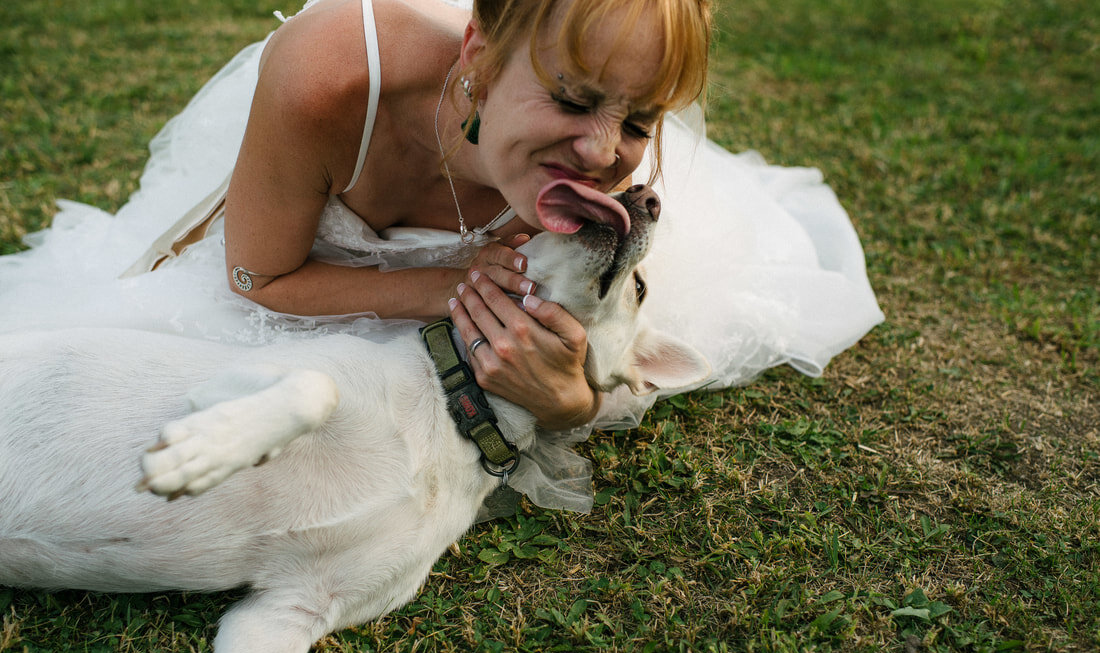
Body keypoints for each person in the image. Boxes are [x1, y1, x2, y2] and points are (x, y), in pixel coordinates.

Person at [0, 0, 883, 512]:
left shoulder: (603, 170)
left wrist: (570, 398)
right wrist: (448, 285)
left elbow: (595, 330)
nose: (602, 153)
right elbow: (256, 279)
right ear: (480, 54)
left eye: (641, 121)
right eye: (572, 100)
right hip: (291, 272)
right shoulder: (333, 76)